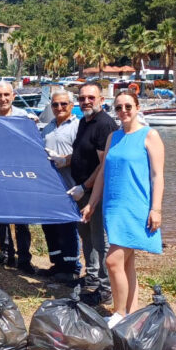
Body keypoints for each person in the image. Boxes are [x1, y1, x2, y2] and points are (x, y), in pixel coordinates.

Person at [81, 90, 164, 325]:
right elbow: (103, 175)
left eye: (128, 106)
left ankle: (119, 313)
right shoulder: (113, 137)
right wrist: (92, 204)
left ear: (137, 107)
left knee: (112, 261)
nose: (123, 111)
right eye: (118, 108)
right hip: (113, 207)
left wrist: (156, 209)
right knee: (127, 263)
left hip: (135, 207)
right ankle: (132, 313)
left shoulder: (150, 135)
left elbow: (158, 177)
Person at [66, 82, 118, 306]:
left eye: (91, 98)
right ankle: (93, 279)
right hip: (80, 192)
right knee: (86, 237)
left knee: (99, 241)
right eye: (82, 98)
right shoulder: (83, 122)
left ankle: (106, 290)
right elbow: (79, 153)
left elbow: (103, 164)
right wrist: (63, 160)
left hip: (95, 192)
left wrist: (85, 187)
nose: (86, 101)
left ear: (101, 100)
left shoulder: (104, 124)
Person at [0, 81, 40, 274]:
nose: (3, 99)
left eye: (6, 95)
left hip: (20, 174)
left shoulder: (24, 117)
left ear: (13, 96)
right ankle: (6, 254)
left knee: (21, 219)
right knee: (1, 217)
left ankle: (24, 258)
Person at [39, 90, 83, 284]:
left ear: (71, 105)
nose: (59, 108)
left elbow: (85, 155)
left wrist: (65, 160)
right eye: (55, 105)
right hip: (49, 188)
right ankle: (56, 264)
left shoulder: (78, 127)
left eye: (63, 104)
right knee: (50, 227)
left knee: (68, 227)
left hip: (69, 185)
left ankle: (72, 268)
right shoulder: (47, 127)